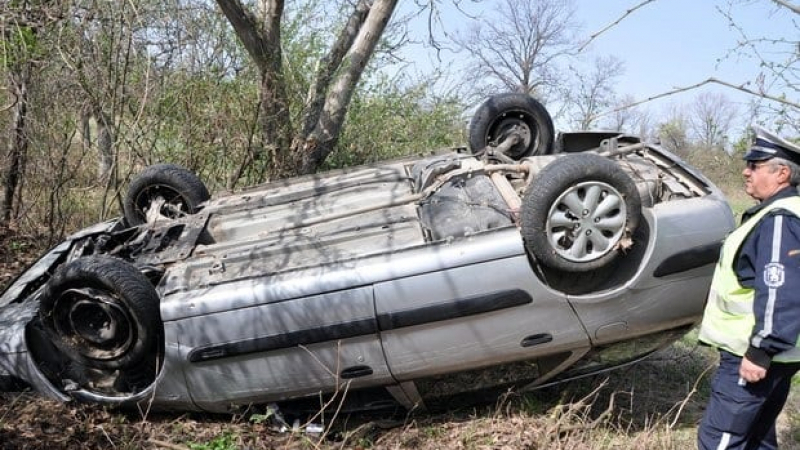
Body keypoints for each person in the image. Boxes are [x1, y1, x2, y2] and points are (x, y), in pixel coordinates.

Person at [697, 125, 800, 450]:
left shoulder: (780, 219)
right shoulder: (784, 213)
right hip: (779, 356)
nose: (745, 171)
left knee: (720, 442)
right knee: (757, 439)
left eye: (754, 165)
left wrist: (760, 350)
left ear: (782, 173)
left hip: (755, 355)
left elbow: (780, 288)